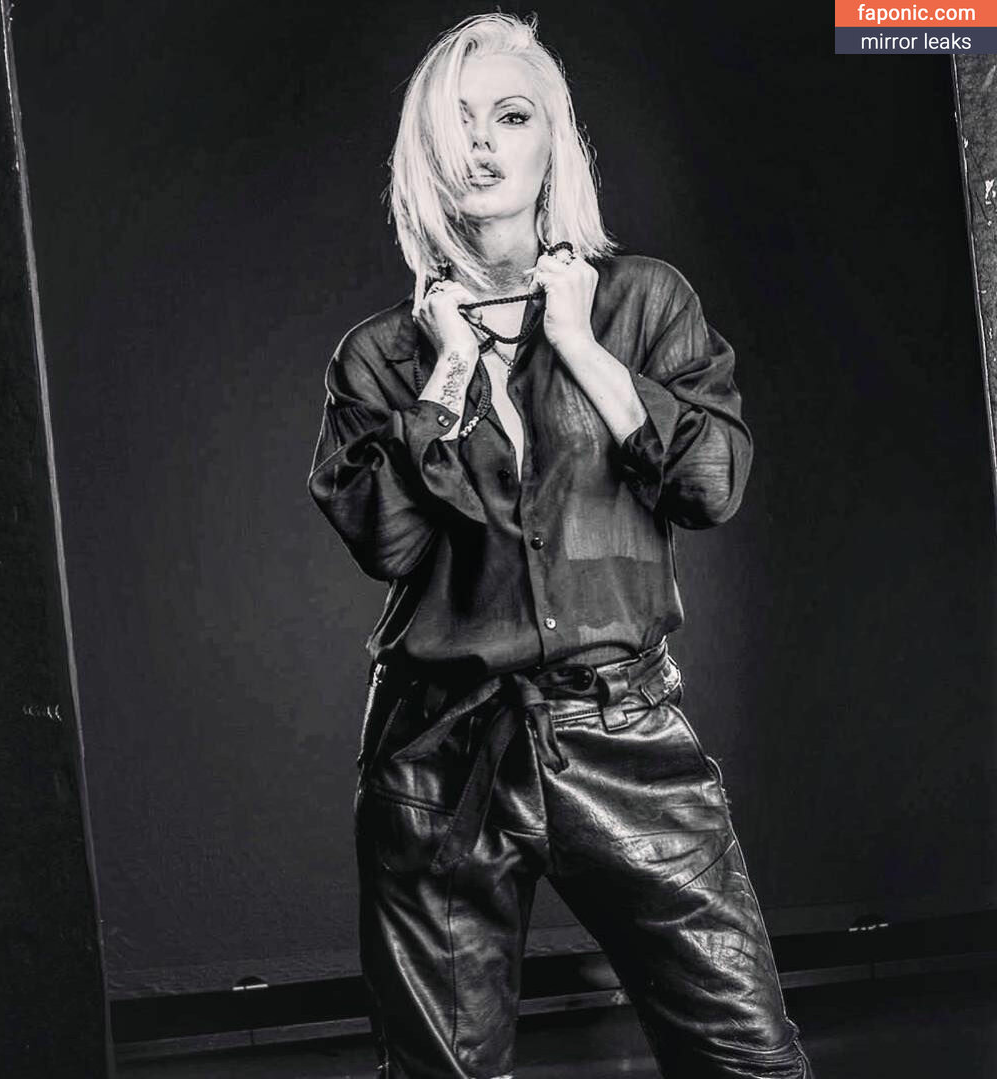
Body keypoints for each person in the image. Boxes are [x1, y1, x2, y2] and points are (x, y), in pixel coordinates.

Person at [307, 12, 814, 1079]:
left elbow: (710, 485)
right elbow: (388, 540)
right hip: (437, 752)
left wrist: (580, 347)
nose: (482, 144)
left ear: (554, 142)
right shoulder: (380, 357)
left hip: (623, 732)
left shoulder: (643, 303)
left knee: (749, 1060)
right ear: (424, 152)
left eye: (511, 115)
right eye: (457, 122)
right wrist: (449, 372)